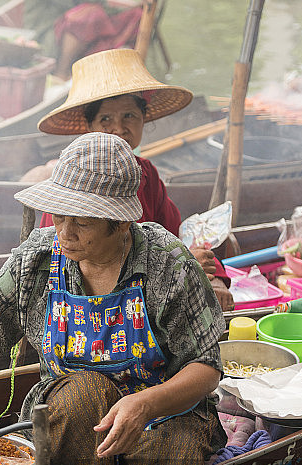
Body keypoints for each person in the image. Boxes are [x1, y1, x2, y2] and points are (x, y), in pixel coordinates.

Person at [0, 133, 227, 465]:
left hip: (164, 410)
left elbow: (206, 366)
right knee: (85, 395)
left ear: (119, 223)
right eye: (58, 216)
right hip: (69, 411)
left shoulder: (169, 264)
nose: (65, 233)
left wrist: (146, 403)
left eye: (82, 223)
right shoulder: (37, 258)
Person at [36, 48, 235, 311]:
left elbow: (175, 238)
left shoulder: (147, 175)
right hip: (84, 305)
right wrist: (182, 268)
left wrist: (213, 277)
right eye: (105, 119)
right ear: (90, 126)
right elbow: (67, 266)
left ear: (144, 120)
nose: (119, 129)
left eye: (129, 116)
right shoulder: (70, 182)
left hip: (146, 300)